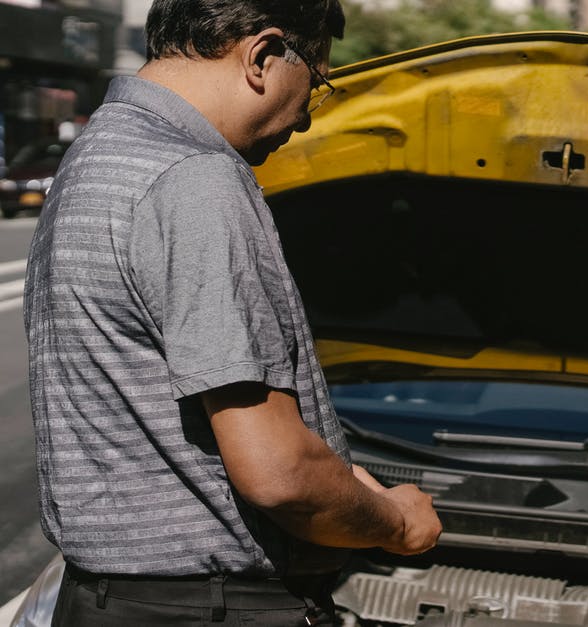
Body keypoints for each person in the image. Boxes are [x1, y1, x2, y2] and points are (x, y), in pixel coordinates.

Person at [24, 1, 441, 625]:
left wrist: (345, 480)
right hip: (213, 606)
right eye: (318, 84)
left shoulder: (95, 156)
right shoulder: (196, 180)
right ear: (263, 56)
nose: (303, 119)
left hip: (104, 601)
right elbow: (277, 473)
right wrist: (397, 523)